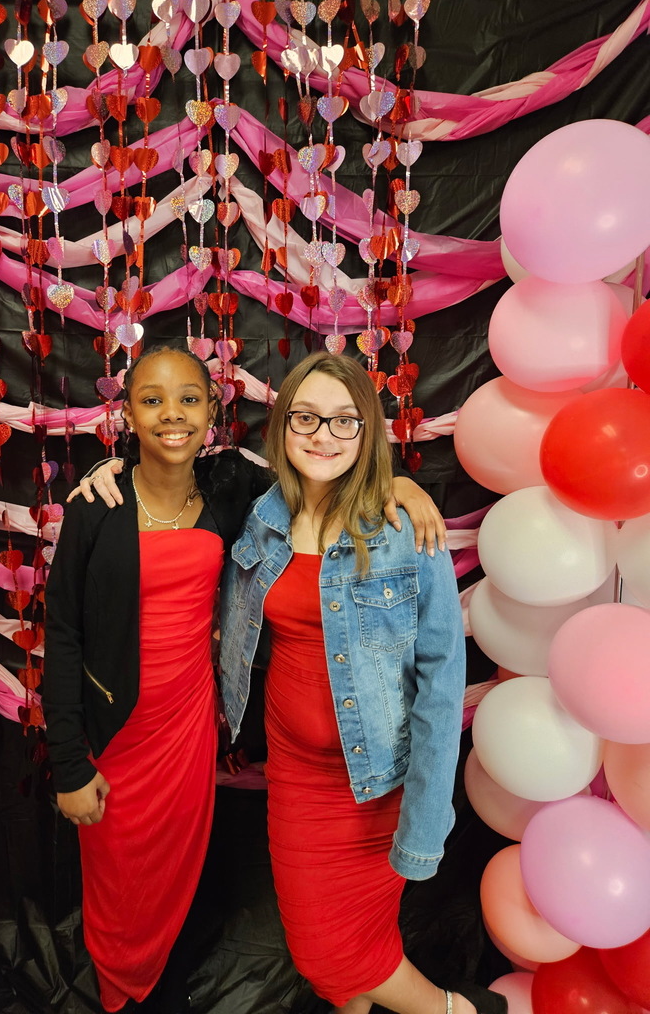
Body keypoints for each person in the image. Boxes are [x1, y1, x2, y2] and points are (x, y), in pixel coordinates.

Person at [44, 345, 445, 1014]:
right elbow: (62, 633)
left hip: (191, 733)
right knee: (118, 883)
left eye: (190, 400)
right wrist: (65, 763)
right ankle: (118, 996)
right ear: (128, 414)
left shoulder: (235, 495)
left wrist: (397, 483)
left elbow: (326, 469)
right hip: (116, 735)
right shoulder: (98, 505)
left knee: (180, 881)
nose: (172, 415)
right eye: (151, 400)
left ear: (213, 412)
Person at [218, 353, 507, 1014]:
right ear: (283, 427)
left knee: (338, 951)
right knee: (335, 953)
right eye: (308, 418)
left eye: (345, 421)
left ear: (368, 431)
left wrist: (427, 819)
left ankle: (461, 1012)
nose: (324, 435)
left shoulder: (405, 531)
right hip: (295, 779)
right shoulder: (262, 519)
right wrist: (104, 468)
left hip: (376, 784)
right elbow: (174, 482)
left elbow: (441, 684)